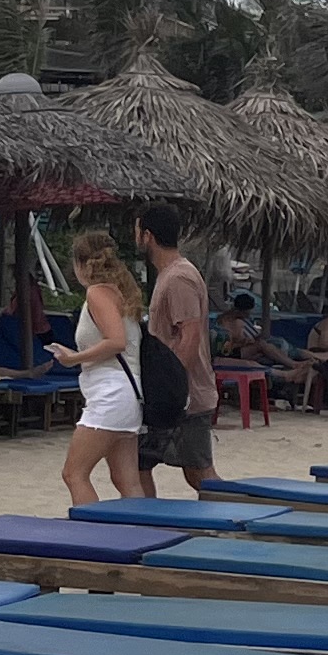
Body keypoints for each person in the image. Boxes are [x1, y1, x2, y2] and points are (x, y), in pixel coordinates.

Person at [49, 229, 148, 504]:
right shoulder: (119, 293)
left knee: (74, 473)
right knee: (126, 479)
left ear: (81, 264)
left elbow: (116, 341)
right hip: (127, 392)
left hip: (111, 392)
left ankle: (91, 537)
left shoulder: (98, 293)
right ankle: (141, 532)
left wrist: (73, 359)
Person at [135, 202, 220, 492]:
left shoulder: (178, 278)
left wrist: (171, 386)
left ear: (147, 235)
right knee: (139, 463)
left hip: (185, 395)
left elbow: (190, 336)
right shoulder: (170, 275)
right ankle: (149, 523)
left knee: (199, 473)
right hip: (174, 393)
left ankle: (240, 514)